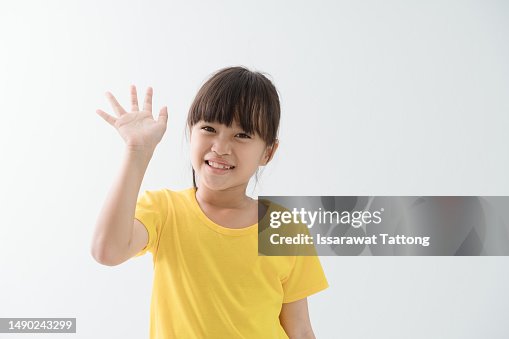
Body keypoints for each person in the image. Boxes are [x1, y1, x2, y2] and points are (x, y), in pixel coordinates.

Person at [91, 66, 329, 338]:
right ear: (190, 132)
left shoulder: (284, 228)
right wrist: (137, 152)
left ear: (268, 152)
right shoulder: (164, 210)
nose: (220, 147)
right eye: (208, 128)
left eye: (242, 135)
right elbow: (106, 251)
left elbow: (299, 328)